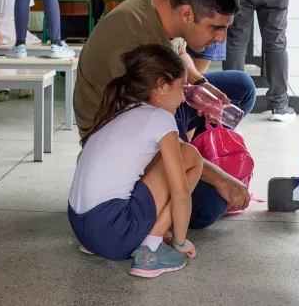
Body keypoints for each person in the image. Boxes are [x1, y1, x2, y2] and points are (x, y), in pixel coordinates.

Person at [73, 0, 256, 230]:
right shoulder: (135, 41)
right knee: (208, 206)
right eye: (215, 28)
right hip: (117, 128)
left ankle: (196, 153)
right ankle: (187, 166)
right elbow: (150, 127)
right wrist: (221, 178)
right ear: (187, 14)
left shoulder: (166, 3)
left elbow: (179, 53)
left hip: (154, 99)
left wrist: (201, 86)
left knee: (242, 87)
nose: (221, 38)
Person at [69, 44, 201, 277]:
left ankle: (134, 236)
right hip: (112, 234)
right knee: (191, 156)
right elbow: (180, 193)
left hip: (83, 229)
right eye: (181, 87)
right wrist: (180, 242)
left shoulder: (120, 111)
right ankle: (151, 249)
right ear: (161, 86)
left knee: (163, 158)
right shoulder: (160, 118)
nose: (182, 98)